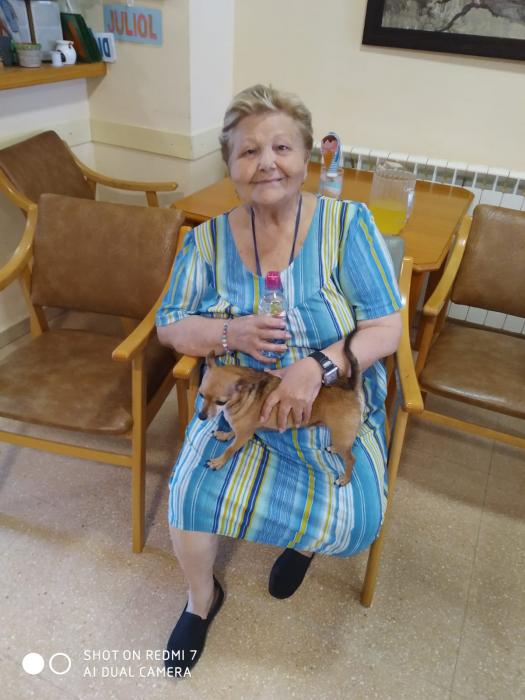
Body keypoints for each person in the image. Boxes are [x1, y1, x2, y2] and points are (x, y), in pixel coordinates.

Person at [156, 84, 402, 674]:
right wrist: (230, 333)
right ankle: (200, 599)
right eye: (248, 151)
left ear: (307, 156)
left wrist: (316, 367)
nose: (266, 162)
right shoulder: (206, 240)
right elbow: (170, 325)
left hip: (325, 405)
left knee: (355, 519)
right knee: (187, 494)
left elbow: (387, 327)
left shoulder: (348, 224)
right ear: (230, 165)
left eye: (282, 147)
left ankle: (304, 542)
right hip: (239, 408)